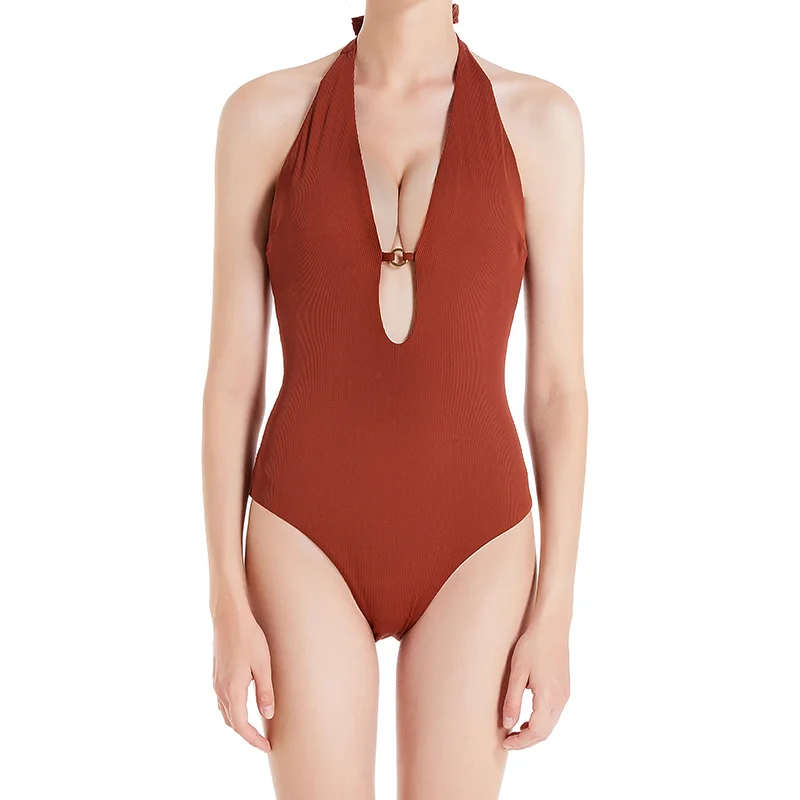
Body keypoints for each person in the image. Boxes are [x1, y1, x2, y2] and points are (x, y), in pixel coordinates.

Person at [202, 1, 587, 796]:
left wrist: (555, 612)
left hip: (478, 540)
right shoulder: (262, 116)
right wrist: (226, 606)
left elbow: (557, 388)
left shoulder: (540, 122)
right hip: (304, 533)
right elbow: (232, 380)